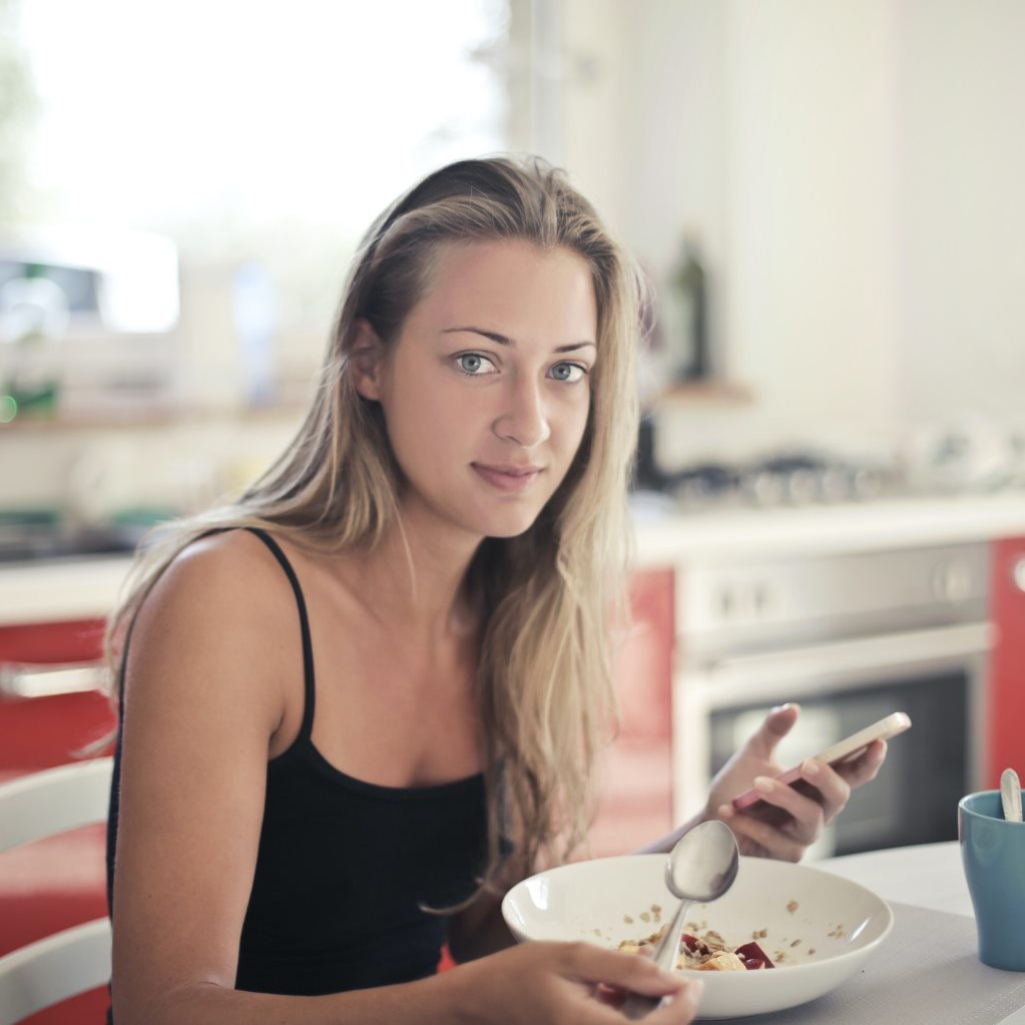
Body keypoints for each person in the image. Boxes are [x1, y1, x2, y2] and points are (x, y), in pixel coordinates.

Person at [104, 156, 887, 1025]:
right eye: (477, 361)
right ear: (368, 360)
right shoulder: (231, 600)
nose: (530, 422)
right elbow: (161, 1009)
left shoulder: (515, 603)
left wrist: (711, 840)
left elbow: (487, 943)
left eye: (565, 370)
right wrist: (459, 1009)